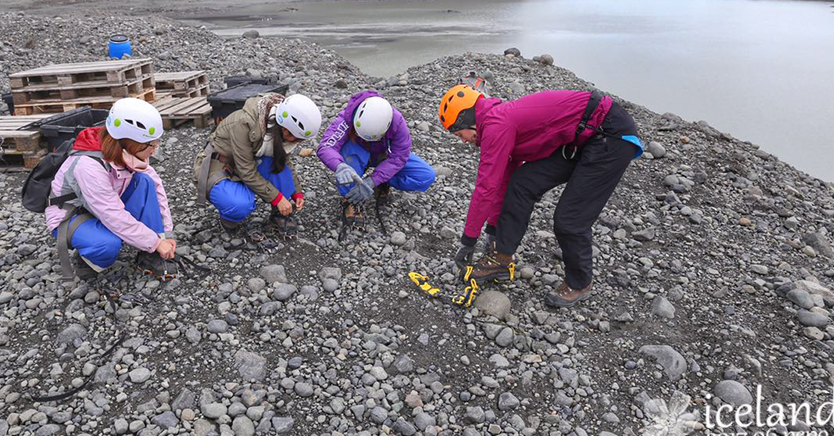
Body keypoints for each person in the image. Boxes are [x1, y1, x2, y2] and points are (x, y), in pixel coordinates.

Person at [439, 83, 643, 307]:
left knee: (569, 219)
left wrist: (468, 241)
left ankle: (580, 284)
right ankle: (502, 258)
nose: (463, 140)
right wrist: (493, 230)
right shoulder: (495, 121)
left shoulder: (496, 124)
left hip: (609, 135)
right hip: (580, 137)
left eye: (460, 134)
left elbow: (485, 187)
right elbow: (504, 180)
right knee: (521, 184)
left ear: (467, 119)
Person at [45, 98, 177, 280]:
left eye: (156, 143)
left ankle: (149, 255)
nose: (154, 150)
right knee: (107, 245)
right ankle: (87, 262)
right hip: (73, 214)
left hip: (103, 205)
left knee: (144, 181)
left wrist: (165, 235)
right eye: (150, 145)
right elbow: (112, 214)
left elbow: (156, 187)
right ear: (130, 143)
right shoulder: (88, 166)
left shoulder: (127, 153)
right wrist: (154, 242)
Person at [194, 92, 321, 234]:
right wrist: (277, 198)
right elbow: (247, 172)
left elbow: (284, 161)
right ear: (286, 130)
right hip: (219, 164)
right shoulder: (245, 123)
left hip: (246, 162)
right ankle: (229, 220)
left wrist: (296, 192)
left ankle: (279, 215)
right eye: (298, 139)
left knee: (280, 168)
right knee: (240, 205)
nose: (299, 143)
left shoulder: (277, 127)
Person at [317, 91, 436, 221]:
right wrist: (339, 166)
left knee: (425, 176)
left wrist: (373, 180)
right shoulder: (348, 117)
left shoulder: (396, 121)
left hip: (383, 155)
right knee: (349, 158)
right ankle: (350, 199)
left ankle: (380, 181)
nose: (368, 141)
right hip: (356, 154)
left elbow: (400, 156)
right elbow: (326, 147)